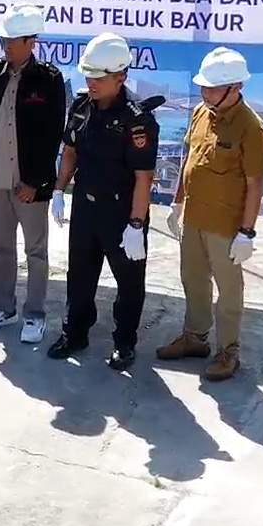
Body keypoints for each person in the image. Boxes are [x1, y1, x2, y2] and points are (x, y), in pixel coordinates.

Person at [47, 33, 159, 370]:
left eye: (98, 77)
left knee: (128, 282)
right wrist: (58, 191)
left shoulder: (137, 120)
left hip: (122, 212)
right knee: (79, 276)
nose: (91, 82)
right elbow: (70, 150)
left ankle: (124, 342)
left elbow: (144, 177)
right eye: (88, 76)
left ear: (120, 76)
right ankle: (75, 332)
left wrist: (136, 225)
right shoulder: (81, 107)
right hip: (86, 206)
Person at [158, 46, 263, 381]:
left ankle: (228, 351)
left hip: (226, 223)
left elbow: (255, 183)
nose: (204, 91)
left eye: (211, 87)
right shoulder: (200, 113)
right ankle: (195, 337)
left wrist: (247, 231)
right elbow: (189, 161)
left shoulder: (251, 128)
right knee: (193, 279)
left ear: (235, 88)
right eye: (203, 86)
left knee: (228, 290)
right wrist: (178, 203)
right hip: (194, 217)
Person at [0, 3, 67, 345]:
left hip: (30, 185)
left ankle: (35, 315)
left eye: (12, 40)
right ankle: (2, 308)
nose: (6, 46)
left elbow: (53, 133)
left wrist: (38, 182)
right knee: (0, 245)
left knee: (36, 251)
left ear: (31, 42)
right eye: (3, 40)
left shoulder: (49, 79)